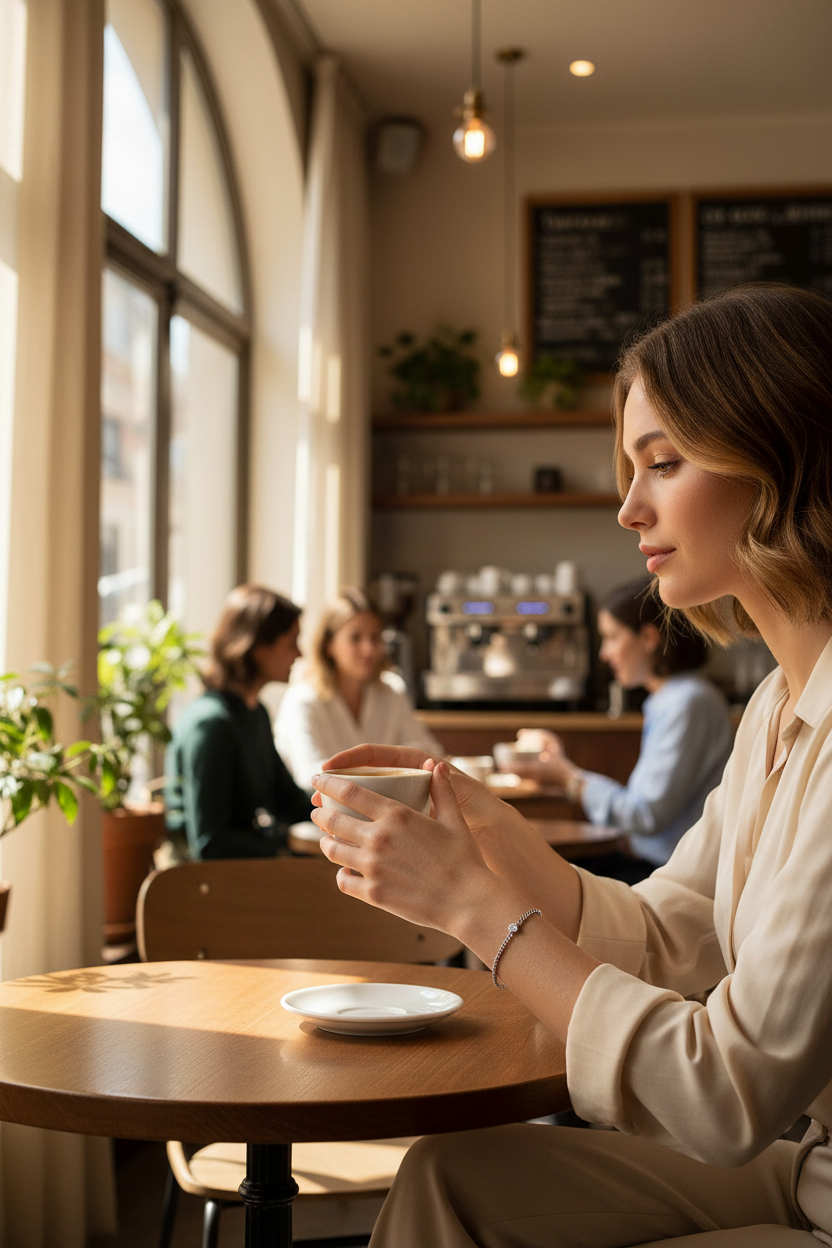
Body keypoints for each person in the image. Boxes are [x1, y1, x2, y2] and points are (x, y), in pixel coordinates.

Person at [308, 284, 832, 1247]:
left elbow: (725, 1093)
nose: (629, 508)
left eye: (663, 463)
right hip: (806, 1169)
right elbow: (671, 929)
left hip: (809, 1184)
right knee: (448, 1177)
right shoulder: (774, 707)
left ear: (782, 459)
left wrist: (474, 908)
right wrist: (491, 834)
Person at [513, 576, 734, 883]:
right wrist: (564, 772)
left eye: (612, 637)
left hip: (669, 875)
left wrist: (568, 778)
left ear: (648, 637)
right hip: (652, 862)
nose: (604, 654)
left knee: (534, 874)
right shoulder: (670, 700)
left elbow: (644, 815)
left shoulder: (688, 703)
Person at [165, 584, 312, 859]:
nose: (300, 654)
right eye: (292, 642)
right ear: (258, 648)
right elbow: (211, 843)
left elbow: (291, 802)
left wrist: (349, 810)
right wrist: (282, 856)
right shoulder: (210, 725)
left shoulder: (255, 714)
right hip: (203, 879)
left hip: (241, 868)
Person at [274, 587, 442, 789]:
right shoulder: (303, 699)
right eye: (355, 638)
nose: (368, 649)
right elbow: (309, 775)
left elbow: (428, 753)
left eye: (375, 637)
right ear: (329, 644)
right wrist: (389, 771)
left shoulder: (391, 691)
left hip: (385, 806)